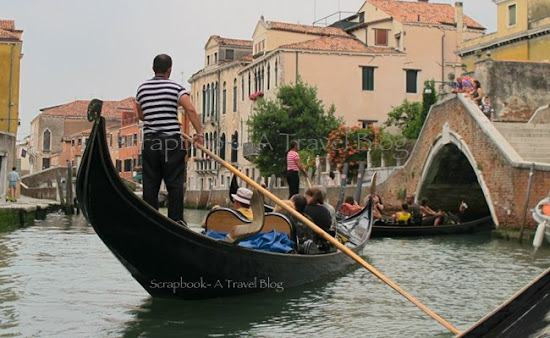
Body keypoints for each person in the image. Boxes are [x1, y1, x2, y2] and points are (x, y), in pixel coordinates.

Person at [135, 54, 204, 225]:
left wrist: (154, 116)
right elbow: (190, 109)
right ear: (169, 69)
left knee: (150, 185)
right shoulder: (175, 88)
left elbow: (141, 115)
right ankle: (176, 222)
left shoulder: (142, 89)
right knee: (174, 184)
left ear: (154, 69)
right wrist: (199, 133)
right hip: (171, 142)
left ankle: (150, 221)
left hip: (151, 142)